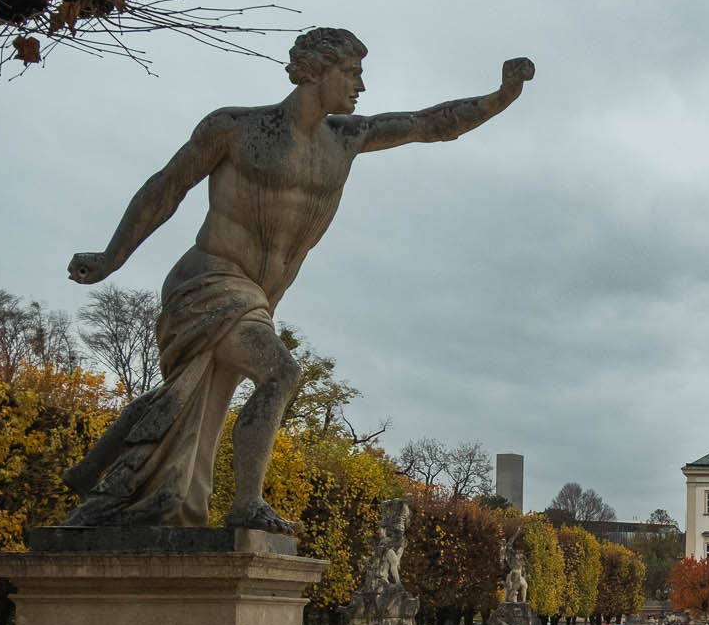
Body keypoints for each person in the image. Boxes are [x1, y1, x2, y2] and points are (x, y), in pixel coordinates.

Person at [64, 27, 536, 530]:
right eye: (351, 73)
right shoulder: (236, 128)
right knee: (280, 373)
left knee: (188, 399)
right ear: (314, 71)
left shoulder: (346, 139)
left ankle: (100, 473)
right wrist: (111, 257)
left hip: (260, 296)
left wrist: (501, 97)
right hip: (208, 281)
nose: (360, 86)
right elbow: (166, 187)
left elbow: (428, 123)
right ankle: (246, 503)